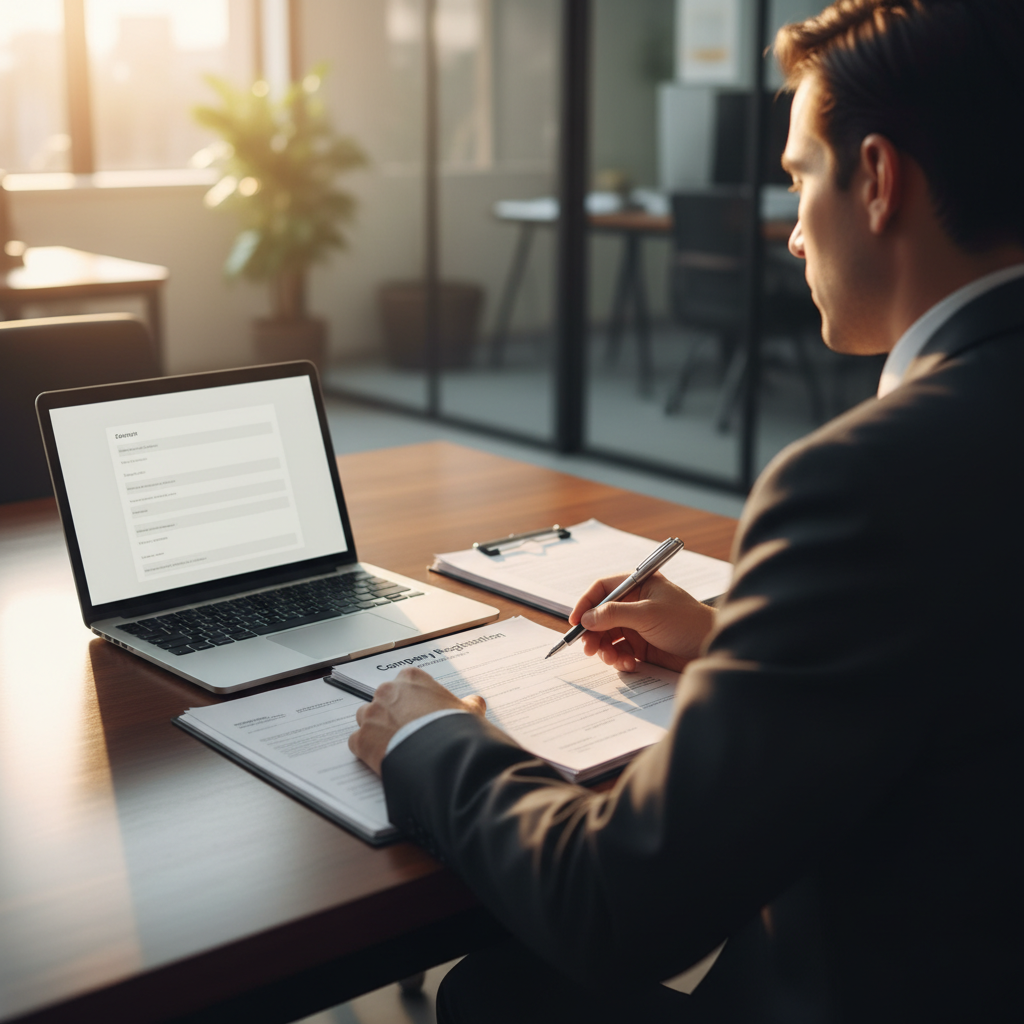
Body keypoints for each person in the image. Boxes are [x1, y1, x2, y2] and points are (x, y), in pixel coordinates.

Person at [350, 1, 1024, 1019]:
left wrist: (430, 737)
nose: (792, 230)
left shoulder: (859, 483)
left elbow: (613, 906)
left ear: (878, 180)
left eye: (797, 177)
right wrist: (736, 644)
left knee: (495, 995)